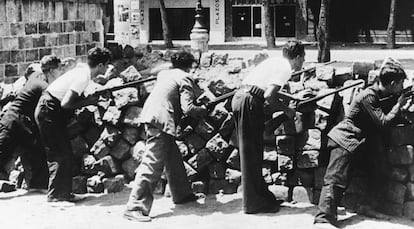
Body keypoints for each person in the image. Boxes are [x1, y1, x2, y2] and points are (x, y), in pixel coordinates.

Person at [314, 57, 408, 228]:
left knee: (379, 170)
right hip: (345, 140)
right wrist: (399, 105)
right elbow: (383, 122)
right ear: (393, 83)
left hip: (358, 143)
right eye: (401, 84)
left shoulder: (381, 95)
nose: (402, 88)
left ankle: (367, 207)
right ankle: (323, 219)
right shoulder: (368, 96)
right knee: (335, 180)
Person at [124, 50, 208, 222]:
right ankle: (135, 207)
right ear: (189, 66)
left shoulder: (165, 73)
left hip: (152, 115)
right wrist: (204, 110)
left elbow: (158, 71)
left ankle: (181, 194)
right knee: (152, 163)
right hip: (162, 119)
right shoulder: (185, 77)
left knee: (173, 158)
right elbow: (189, 108)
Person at [231, 40, 310, 214]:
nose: (303, 63)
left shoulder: (275, 61)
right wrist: (287, 110)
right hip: (249, 101)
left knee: (255, 151)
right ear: (296, 57)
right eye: (303, 59)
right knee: (250, 153)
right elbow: (268, 95)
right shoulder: (285, 68)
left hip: (244, 97)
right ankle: (252, 204)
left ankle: (261, 197)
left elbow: (266, 89)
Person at [35, 47, 111, 202]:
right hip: (49, 111)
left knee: (65, 152)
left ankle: (64, 194)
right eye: (106, 65)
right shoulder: (83, 76)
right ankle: (55, 197)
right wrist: (89, 101)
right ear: (101, 65)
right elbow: (66, 103)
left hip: (51, 110)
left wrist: (89, 98)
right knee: (59, 154)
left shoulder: (82, 72)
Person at [0, 55, 62, 191]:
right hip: (14, 121)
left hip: (25, 126)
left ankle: (38, 187)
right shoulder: (43, 85)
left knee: (38, 154)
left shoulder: (37, 77)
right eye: (59, 69)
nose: (60, 73)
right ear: (51, 70)